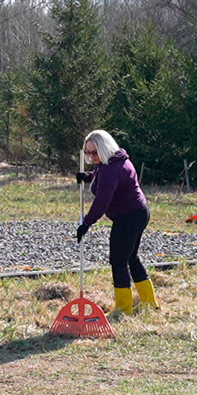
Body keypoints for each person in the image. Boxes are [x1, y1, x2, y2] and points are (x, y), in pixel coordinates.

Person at [76, 129, 158, 315]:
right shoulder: (117, 159)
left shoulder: (109, 169)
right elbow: (105, 177)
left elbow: (102, 201)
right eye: (88, 152)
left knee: (118, 261)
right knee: (131, 257)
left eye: (94, 152)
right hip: (139, 212)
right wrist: (87, 177)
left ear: (104, 148)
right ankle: (149, 302)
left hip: (128, 217)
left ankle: (123, 309)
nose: (91, 156)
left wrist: (86, 223)